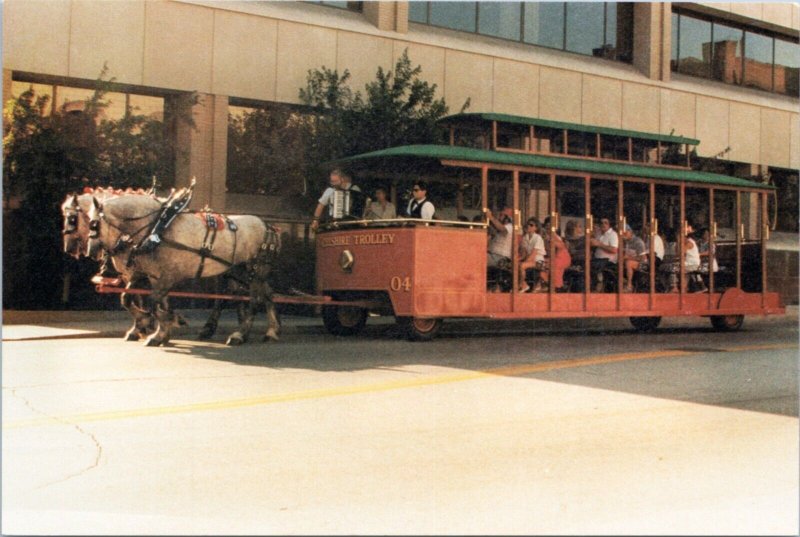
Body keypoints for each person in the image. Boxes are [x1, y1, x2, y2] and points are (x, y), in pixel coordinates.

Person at [539, 224, 572, 292]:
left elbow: (561, 246)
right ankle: (547, 284)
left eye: (549, 229)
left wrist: (551, 240)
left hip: (563, 258)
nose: (547, 231)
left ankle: (557, 286)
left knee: (554, 266)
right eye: (546, 229)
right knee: (543, 264)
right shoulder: (545, 238)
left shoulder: (556, 237)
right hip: (554, 258)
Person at [589, 216, 618, 292]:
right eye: (601, 223)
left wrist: (599, 244)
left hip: (608, 261)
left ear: (609, 225)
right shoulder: (599, 233)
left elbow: (614, 250)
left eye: (606, 223)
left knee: (591, 267)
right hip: (598, 259)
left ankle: (597, 286)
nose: (603, 224)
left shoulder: (613, 234)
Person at [517, 218, 546, 292]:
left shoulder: (538, 238)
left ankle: (522, 285)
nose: (528, 226)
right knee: (515, 264)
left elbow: (533, 255)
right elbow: (523, 254)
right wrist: (516, 260)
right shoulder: (525, 238)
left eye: (531, 225)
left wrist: (523, 262)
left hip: (539, 261)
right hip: (530, 260)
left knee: (522, 265)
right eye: (528, 224)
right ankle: (523, 284)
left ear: (536, 228)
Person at [621, 225, 647, 292]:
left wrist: (628, 257)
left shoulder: (638, 242)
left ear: (630, 232)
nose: (623, 235)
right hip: (631, 262)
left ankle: (629, 286)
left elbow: (642, 258)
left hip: (642, 264)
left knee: (628, 262)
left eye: (625, 233)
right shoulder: (625, 241)